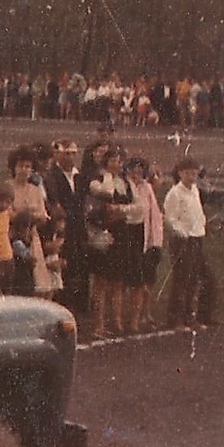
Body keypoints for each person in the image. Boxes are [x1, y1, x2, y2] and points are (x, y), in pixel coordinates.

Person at [86, 145, 140, 339]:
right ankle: (98, 324)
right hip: (104, 231)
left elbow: (137, 206)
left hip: (122, 231)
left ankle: (116, 320)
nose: (116, 164)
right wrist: (108, 178)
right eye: (112, 160)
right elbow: (105, 195)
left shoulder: (126, 182)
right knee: (100, 280)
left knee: (118, 280)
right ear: (105, 162)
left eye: (119, 161)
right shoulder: (98, 180)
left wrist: (120, 210)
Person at [163, 157, 214, 330]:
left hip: (197, 237)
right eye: (189, 173)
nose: (193, 177)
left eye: (195, 173)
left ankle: (189, 316)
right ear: (181, 173)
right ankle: (175, 318)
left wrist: (203, 226)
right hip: (183, 240)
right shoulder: (175, 193)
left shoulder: (195, 190)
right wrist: (182, 233)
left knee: (194, 279)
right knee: (182, 279)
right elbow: (170, 219)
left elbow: (198, 212)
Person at [42, 139, 88, 312]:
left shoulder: (79, 176)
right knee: (62, 272)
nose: (70, 157)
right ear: (58, 154)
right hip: (61, 230)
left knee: (79, 269)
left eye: (73, 153)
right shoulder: (52, 176)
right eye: (66, 153)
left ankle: (78, 309)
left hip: (78, 230)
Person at [125, 157, 165, 332]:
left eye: (140, 171)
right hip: (133, 238)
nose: (137, 174)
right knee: (136, 282)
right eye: (134, 170)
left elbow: (154, 214)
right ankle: (132, 318)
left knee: (148, 281)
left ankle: (144, 313)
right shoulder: (127, 187)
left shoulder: (147, 188)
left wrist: (156, 240)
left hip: (149, 239)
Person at [7, 146, 53, 296]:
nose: (24, 170)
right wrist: (28, 214)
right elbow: (10, 215)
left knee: (36, 284)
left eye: (28, 166)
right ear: (14, 167)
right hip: (12, 238)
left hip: (32, 239)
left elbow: (43, 217)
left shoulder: (35, 190)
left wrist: (30, 216)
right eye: (20, 166)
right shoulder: (7, 187)